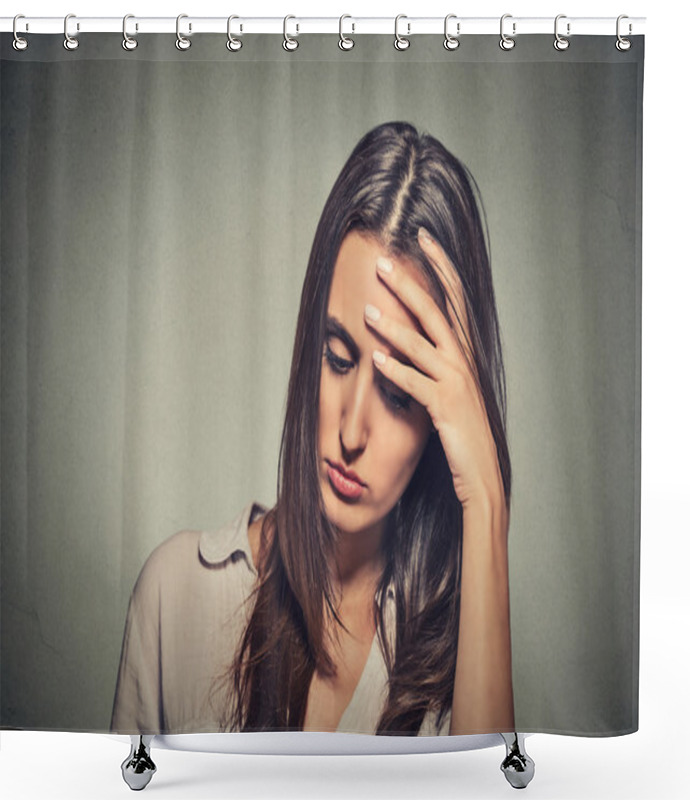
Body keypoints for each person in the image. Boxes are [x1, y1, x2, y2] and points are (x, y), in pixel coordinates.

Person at [110, 121, 514, 737]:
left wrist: (486, 502)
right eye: (337, 357)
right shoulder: (175, 599)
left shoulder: (463, 658)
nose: (352, 432)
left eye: (399, 393)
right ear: (307, 347)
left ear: (440, 421)